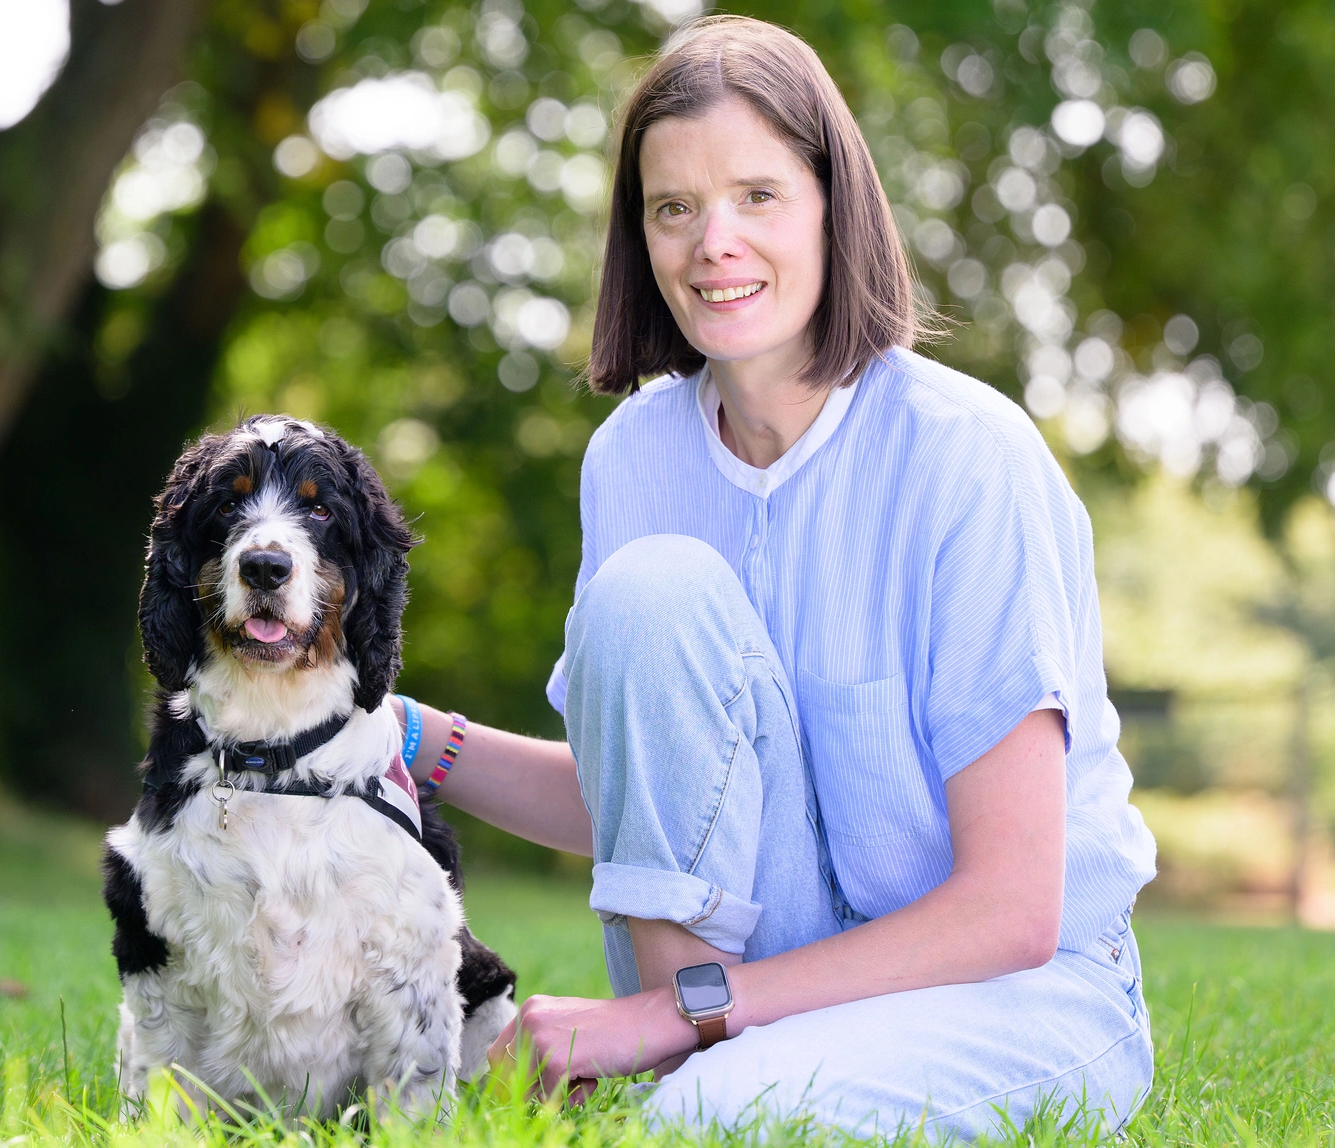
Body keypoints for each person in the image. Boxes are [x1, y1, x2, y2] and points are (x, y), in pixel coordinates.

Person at [388, 15, 1157, 1140]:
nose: (714, 244)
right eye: (674, 207)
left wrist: (670, 1016)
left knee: (710, 1112)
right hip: (766, 980)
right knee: (648, 592)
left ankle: (690, 1062)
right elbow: (656, 792)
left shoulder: (967, 459)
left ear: (833, 206)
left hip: (1014, 991)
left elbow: (1010, 907)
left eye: (758, 195)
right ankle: (698, 1062)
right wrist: (407, 737)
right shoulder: (634, 457)